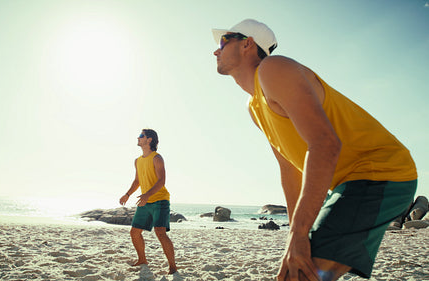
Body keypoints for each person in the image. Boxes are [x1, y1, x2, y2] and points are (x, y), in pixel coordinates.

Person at [211, 19, 417, 281]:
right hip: (353, 182)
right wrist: (293, 235)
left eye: (223, 41)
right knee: (296, 272)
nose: (216, 50)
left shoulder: (273, 69)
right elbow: (289, 169)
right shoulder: (254, 107)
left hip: (381, 173)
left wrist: (299, 233)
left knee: (300, 276)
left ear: (247, 44)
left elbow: (325, 144)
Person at [119, 129, 177, 274]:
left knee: (160, 232)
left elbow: (161, 181)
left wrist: (146, 195)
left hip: (160, 200)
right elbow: (137, 181)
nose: (138, 138)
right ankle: (142, 259)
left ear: (149, 139)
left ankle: (172, 266)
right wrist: (127, 194)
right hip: (145, 202)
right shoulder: (137, 161)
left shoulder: (157, 158)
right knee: (134, 233)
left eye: (141, 136)